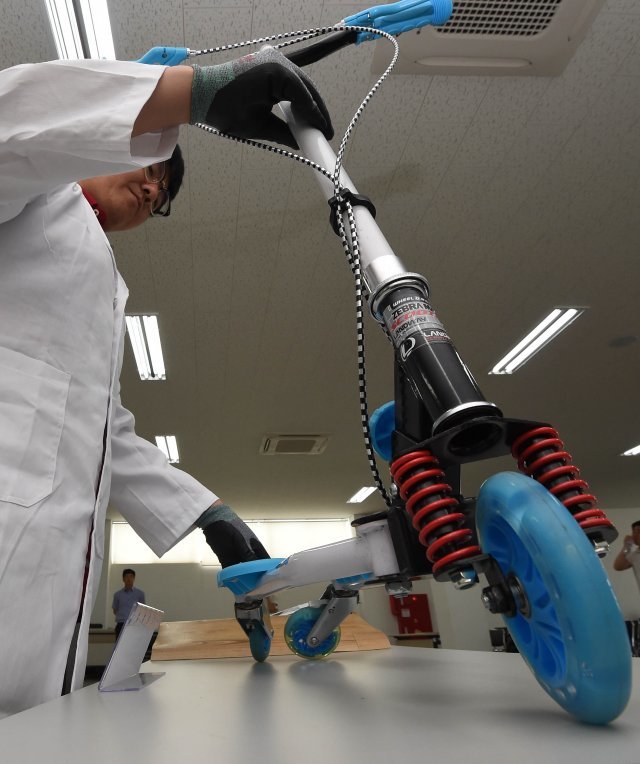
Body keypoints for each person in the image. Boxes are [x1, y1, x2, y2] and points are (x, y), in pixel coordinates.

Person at [0, 48, 333, 718]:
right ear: (100, 141)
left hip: (41, 609)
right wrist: (189, 94)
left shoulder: (98, 276)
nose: (154, 192)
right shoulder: (29, 198)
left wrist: (208, 514)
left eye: (163, 196)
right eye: (152, 168)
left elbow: (101, 431)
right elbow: (18, 129)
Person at [112, 569, 146, 639]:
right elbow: (115, 610)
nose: (129, 579)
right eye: (126, 577)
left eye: (131, 577)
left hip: (134, 625)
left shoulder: (140, 594)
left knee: (134, 644)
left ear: (134, 579)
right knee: (120, 645)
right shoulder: (117, 595)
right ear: (123, 579)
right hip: (121, 624)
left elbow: (142, 610)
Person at [613, 521, 640, 589]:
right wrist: (627, 546)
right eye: (634, 532)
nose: (633, 535)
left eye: (638, 531)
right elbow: (618, 566)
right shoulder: (634, 555)